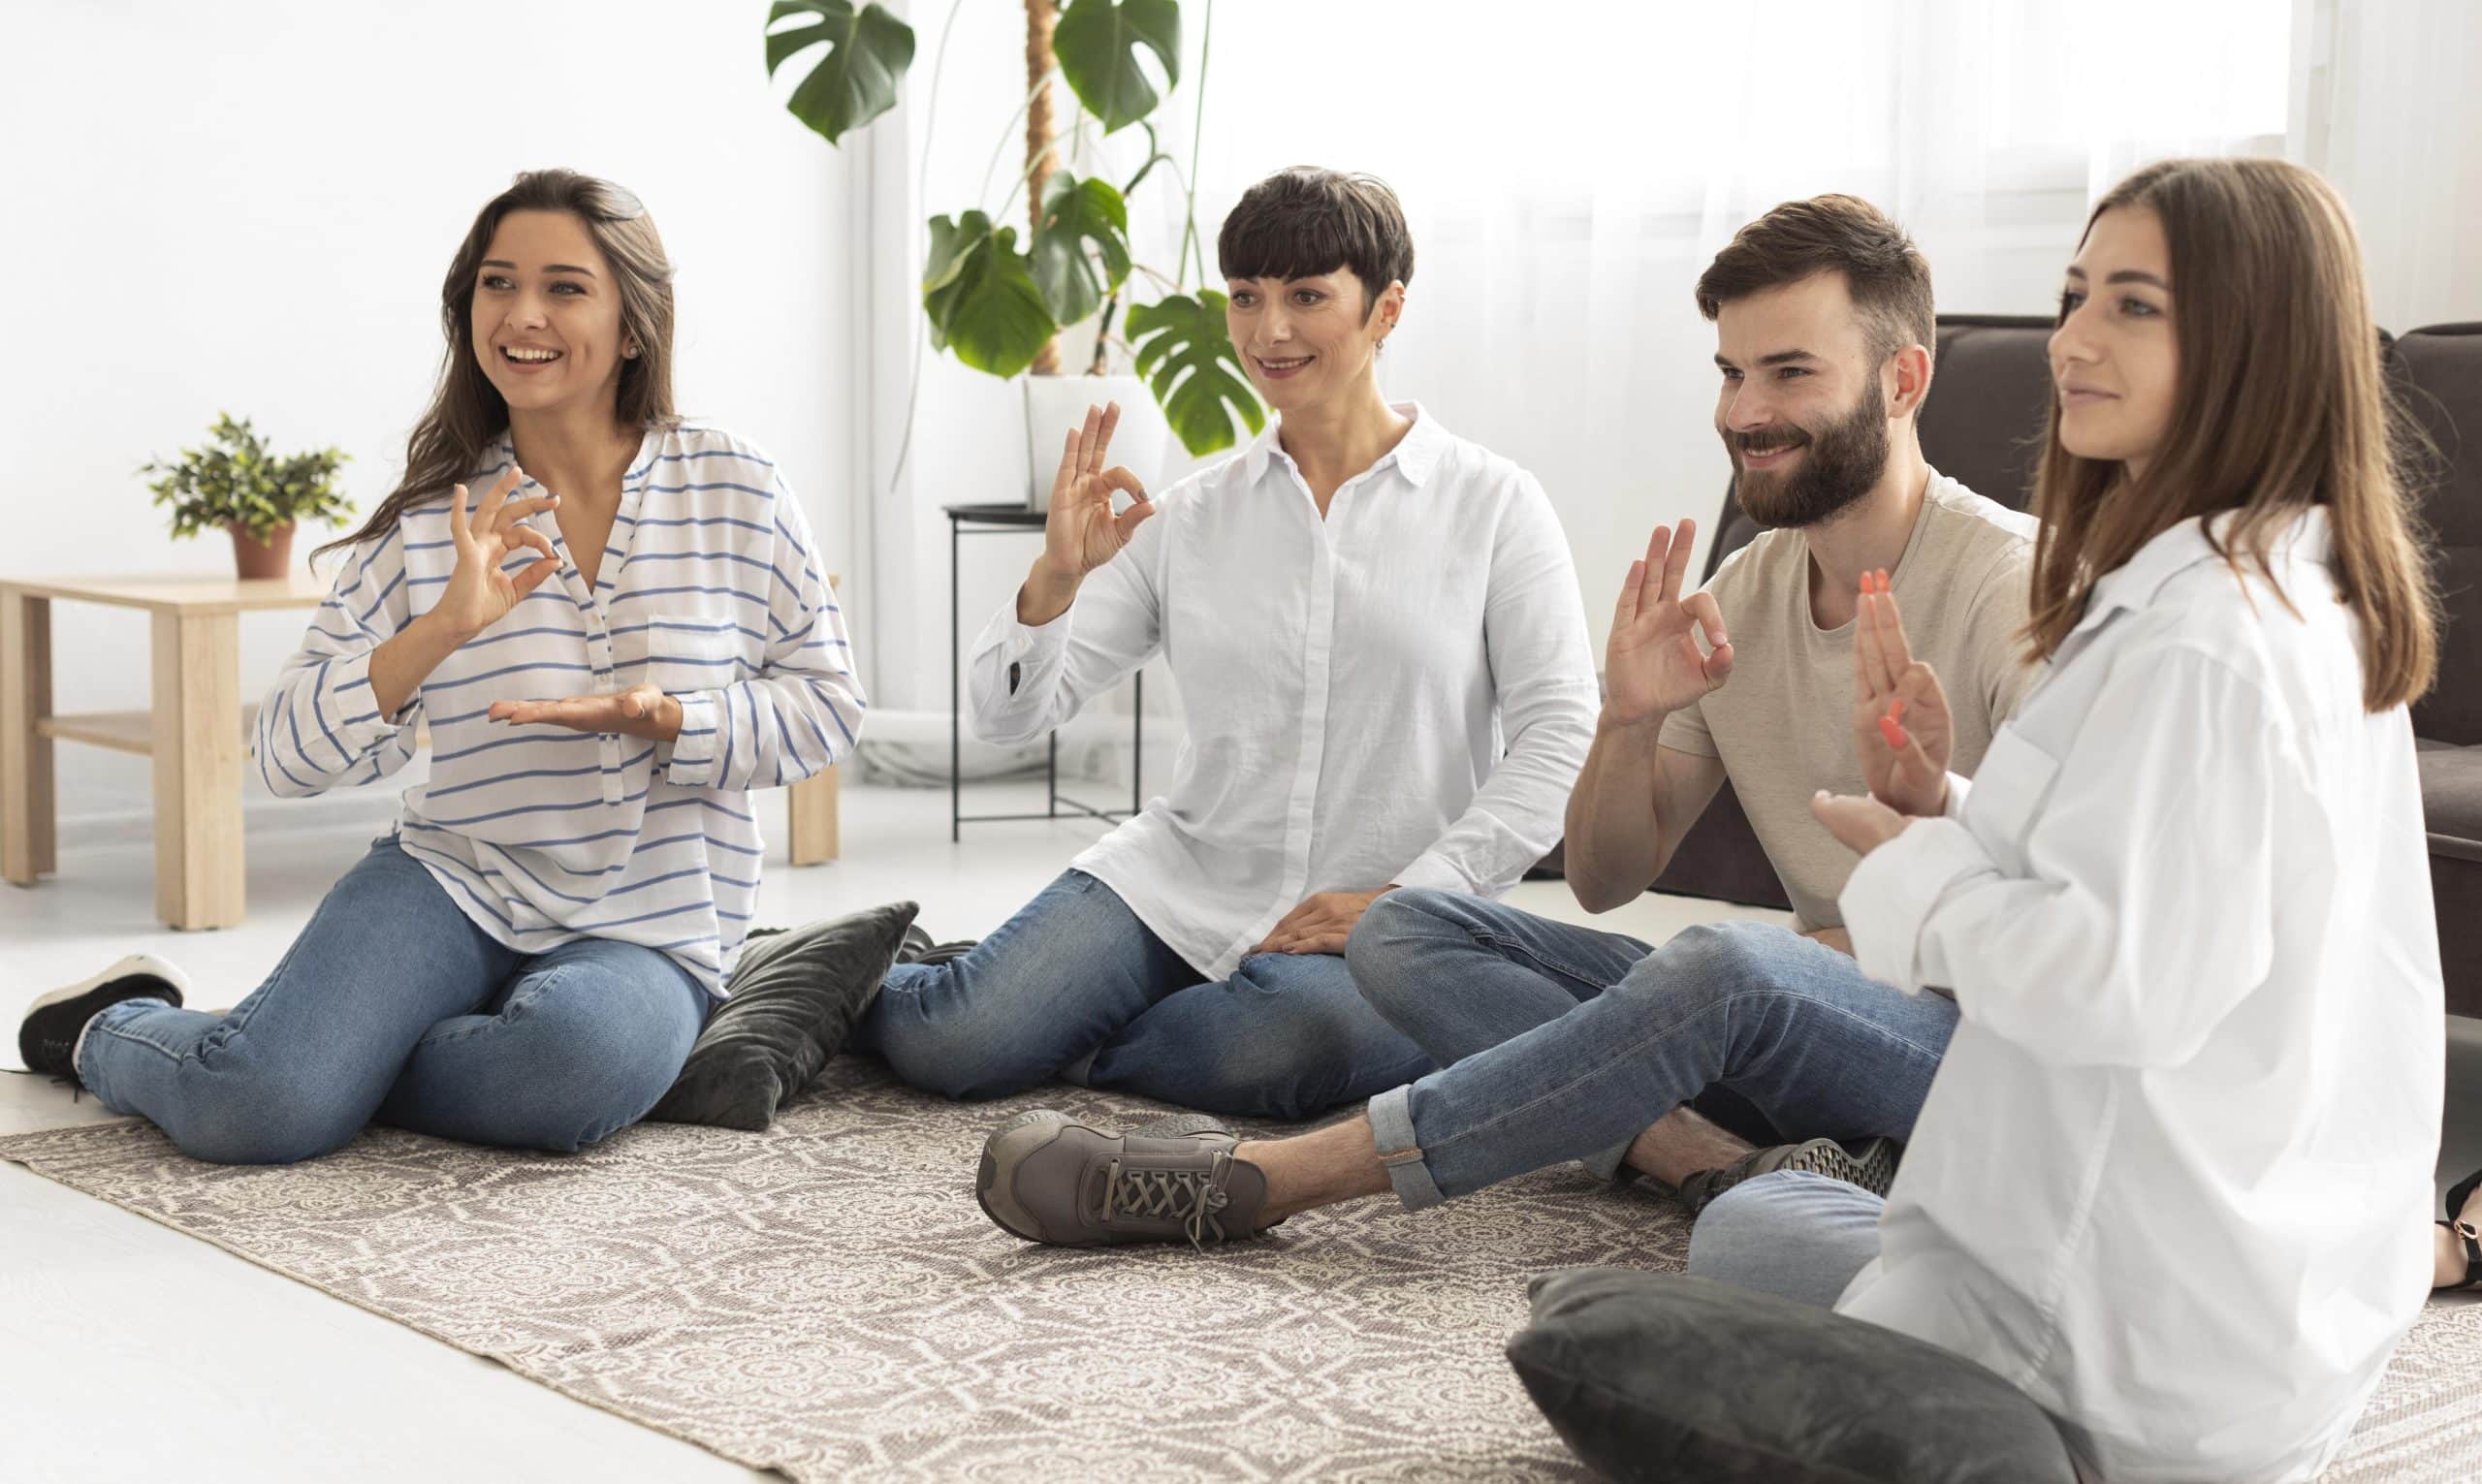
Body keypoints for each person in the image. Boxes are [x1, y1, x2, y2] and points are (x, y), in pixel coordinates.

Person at [973, 194, 2043, 1243]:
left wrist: (1829, 944)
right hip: (1772, 1016)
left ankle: (1264, 1181)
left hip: (1967, 1047)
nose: (1741, 412)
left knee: (1719, 965)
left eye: (1789, 372)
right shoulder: (1747, 587)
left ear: (1902, 379)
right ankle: (1698, 1157)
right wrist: (1625, 721)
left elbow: (2088, 928)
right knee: (1408, 929)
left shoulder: (2018, 587)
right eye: (1729, 371)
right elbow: (1605, 878)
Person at [1701, 157, 2441, 1482]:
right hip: (2268, 1334)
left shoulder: (2208, 638)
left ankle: (1996, 1452)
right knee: (1767, 1221)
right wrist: (1949, 805)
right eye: (2073, 293)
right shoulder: (2289, 594)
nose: (2075, 339)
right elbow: (2166, 875)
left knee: (1723, 1249)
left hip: (2119, 1354)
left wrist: (1920, 874)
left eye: (2136, 306)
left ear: (2250, 340)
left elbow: (2118, 985)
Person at [15, 170, 862, 1163]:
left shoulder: (735, 484)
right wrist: (440, 630)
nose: (523, 315)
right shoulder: (432, 520)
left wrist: (668, 715)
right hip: (449, 882)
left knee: (572, 1071)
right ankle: (110, 1028)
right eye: (496, 284)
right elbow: (285, 757)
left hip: (650, 920)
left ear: (634, 325)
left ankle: (315, 1053)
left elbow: (827, 704)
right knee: (259, 1113)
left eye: (565, 287)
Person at [853, 168, 1600, 1121]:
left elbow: (1557, 730)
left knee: (1290, 1046)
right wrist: (1055, 583)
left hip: (1388, 925)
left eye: (1305, 295)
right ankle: (861, 972)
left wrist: (1410, 895)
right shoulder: (1189, 516)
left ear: (1387, 309)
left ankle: (1072, 1032)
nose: (1268, 331)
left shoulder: (1495, 504)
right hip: (1177, 884)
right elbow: (1008, 718)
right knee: (950, 1040)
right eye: (1245, 297)